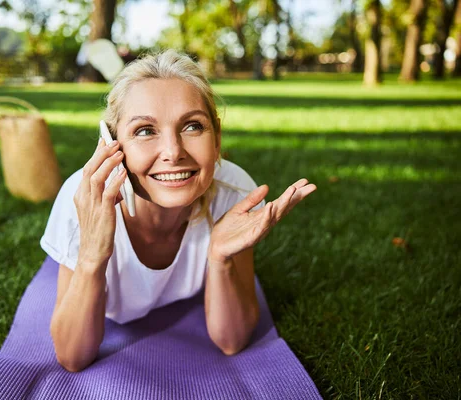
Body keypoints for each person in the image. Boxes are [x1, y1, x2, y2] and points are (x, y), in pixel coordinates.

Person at [40, 49, 316, 373]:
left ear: (216, 139)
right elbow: (73, 358)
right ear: (112, 146)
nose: (173, 152)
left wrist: (220, 258)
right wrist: (91, 254)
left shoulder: (236, 193)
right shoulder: (83, 200)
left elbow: (232, 341)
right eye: (145, 130)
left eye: (192, 126)